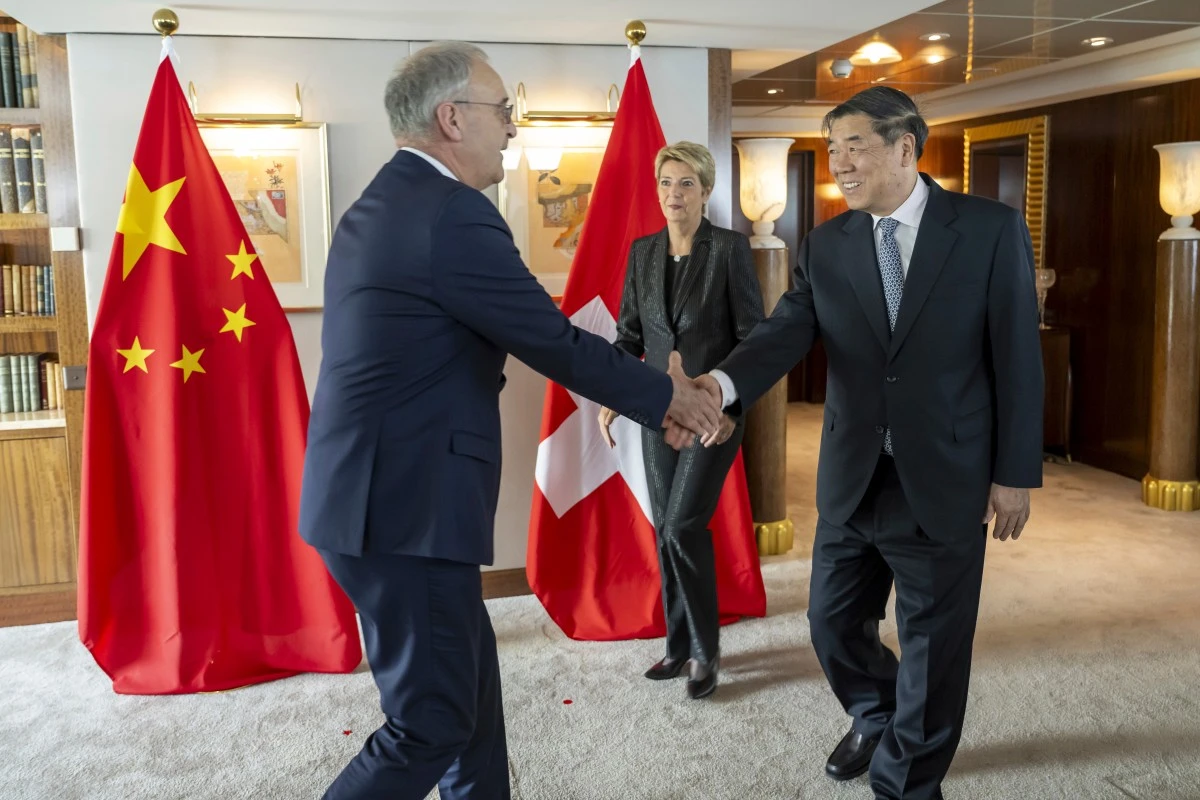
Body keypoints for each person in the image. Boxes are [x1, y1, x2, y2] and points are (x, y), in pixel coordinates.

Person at [297, 42, 721, 800]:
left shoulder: (388, 199)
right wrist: (671, 399)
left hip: (378, 497)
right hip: (404, 510)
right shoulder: (449, 213)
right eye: (504, 112)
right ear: (451, 118)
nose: (513, 130)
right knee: (429, 724)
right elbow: (550, 340)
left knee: (471, 699)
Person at [700, 86, 1043, 798]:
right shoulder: (828, 243)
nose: (840, 163)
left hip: (945, 477)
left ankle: (905, 782)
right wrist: (719, 388)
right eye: (832, 149)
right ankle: (873, 709)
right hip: (853, 475)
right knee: (830, 622)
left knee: (933, 648)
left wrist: (1016, 474)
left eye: (854, 145)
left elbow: (1017, 357)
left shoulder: (987, 230)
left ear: (904, 148)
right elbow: (784, 332)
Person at [597, 141, 764, 700]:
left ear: (707, 190)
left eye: (686, 183)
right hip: (655, 410)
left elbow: (753, 341)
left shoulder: (730, 249)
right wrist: (612, 396)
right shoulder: (643, 252)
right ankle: (677, 641)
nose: (674, 194)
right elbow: (628, 337)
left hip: (711, 413)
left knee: (681, 526)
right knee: (665, 526)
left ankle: (705, 650)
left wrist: (731, 406)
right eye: (666, 183)